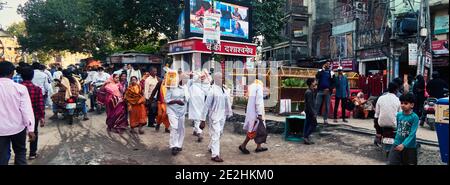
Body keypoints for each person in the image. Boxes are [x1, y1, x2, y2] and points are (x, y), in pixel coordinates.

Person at [0, 61, 35, 165]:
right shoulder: (20, 88)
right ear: (12, 73)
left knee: (2, 156)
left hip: (1, 130)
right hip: (18, 128)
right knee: (20, 152)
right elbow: (26, 110)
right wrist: (31, 129)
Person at [201, 73, 232, 162]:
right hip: (214, 116)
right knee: (216, 133)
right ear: (215, 79)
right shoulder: (212, 91)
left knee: (220, 133)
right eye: (219, 78)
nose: (221, 79)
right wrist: (202, 120)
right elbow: (206, 105)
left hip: (223, 115)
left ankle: (211, 147)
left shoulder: (224, 89)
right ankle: (215, 155)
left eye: (222, 78)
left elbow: (227, 101)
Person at [20, 67, 45, 160]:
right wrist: (42, 117)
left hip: (19, 115)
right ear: (32, 76)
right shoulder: (37, 89)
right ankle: (32, 153)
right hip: (33, 115)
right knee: (34, 132)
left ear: (21, 76)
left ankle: (21, 154)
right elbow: (40, 104)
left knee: (20, 134)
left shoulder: (17, 88)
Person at [239, 78, 268, 155]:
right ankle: (243, 145)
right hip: (256, 114)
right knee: (254, 131)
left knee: (258, 130)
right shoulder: (259, 88)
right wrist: (260, 114)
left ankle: (259, 147)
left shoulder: (252, 88)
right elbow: (258, 102)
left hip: (252, 113)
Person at [388, 93, 419, 165]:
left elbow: (412, 133)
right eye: (401, 103)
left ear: (412, 105)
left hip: (410, 146)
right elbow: (398, 128)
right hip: (397, 143)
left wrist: (404, 144)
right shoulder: (399, 115)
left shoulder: (415, 117)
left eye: (405, 103)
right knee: (392, 162)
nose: (403, 105)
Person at [165, 73, 190, 156]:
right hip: (172, 110)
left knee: (181, 128)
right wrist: (176, 101)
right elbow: (166, 100)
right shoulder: (171, 87)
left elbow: (187, 98)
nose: (186, 81)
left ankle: (179, 145)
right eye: (185, 79)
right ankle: (173, 146)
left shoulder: (186, 87)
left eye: (187, 79)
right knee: (174, 127)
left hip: (182, 111)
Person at [189, 72, 210, 142]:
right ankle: (199, 133)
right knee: (197, 117)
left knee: (197, 117)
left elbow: (207, 92)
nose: (201, 78)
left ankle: (195, 130)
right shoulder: (193, 85)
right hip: (195, 103)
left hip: (200, 103)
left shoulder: (202, 85)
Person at [303, 78, 318, 145]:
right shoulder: (309, 92)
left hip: (309, 111)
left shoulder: (311, 91)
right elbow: (309, 104)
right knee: (314, 124)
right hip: (310, 111)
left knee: (308, 124)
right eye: (314, 81)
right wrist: (313, 113)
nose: (315, 82)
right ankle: (306, 137)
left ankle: (306, 137)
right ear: (312, 83)